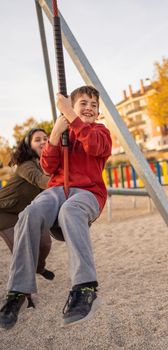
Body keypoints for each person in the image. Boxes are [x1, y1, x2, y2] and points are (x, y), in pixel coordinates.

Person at [0, 85, 112, 329]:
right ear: (72, 105)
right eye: (83, 103)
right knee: (30, 213)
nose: (89, 108)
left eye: (94, 105)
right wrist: (53, 136)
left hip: (88, 193)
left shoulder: (101, 132)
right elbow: (49, 167)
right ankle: (17, 291)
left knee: (70, 210)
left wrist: (71, 117)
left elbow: (94, 146)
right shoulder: (64, 133)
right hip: (57, 189)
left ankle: (85, 287)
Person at [0, 128, 55, 281]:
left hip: (27, 211)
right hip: (5, 211)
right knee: (22, 251)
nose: (43, 141)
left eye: (45, 138)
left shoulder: (49, 163)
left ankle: (39, 268)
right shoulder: (26, 164)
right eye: (37, 140)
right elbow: (40, 180)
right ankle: (22, 292)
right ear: (28, 145)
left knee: (44, 244)